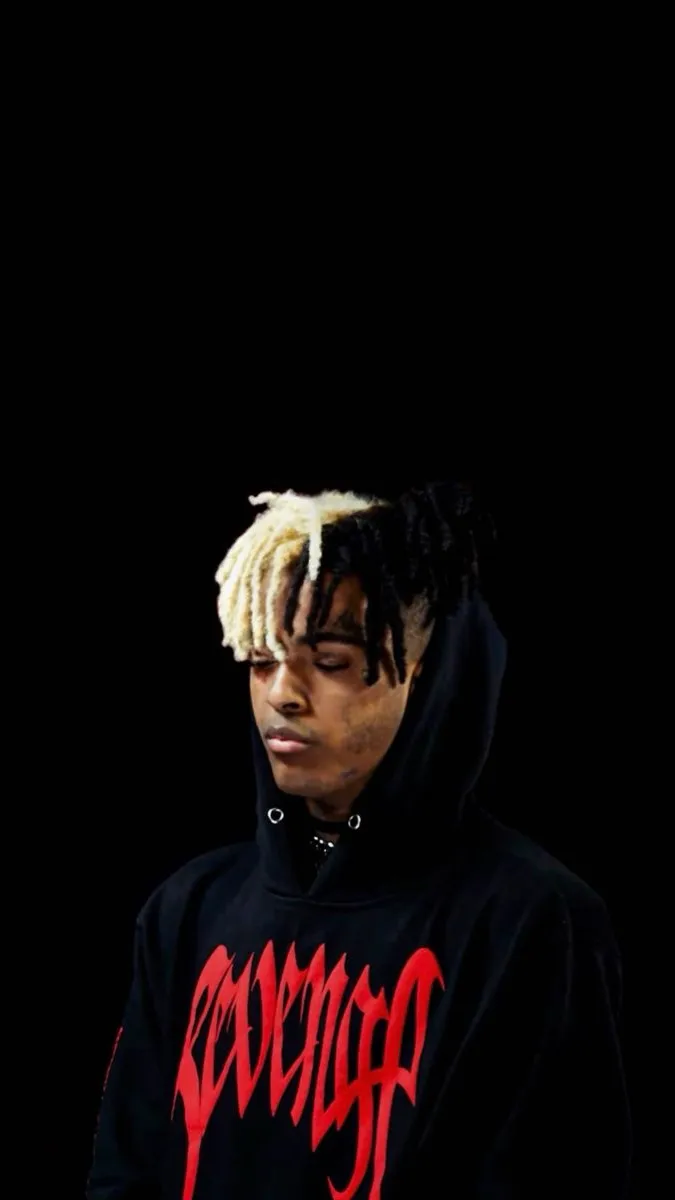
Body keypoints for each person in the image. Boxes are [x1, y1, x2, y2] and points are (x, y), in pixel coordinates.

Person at [88, 482, 632, 1199]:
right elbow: (124, 1172)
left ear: (425, 674)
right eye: (261, 659)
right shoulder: (188, 908)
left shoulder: (529, 920)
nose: (281, 693)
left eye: (331, 661)